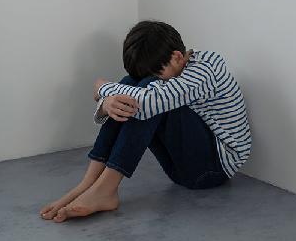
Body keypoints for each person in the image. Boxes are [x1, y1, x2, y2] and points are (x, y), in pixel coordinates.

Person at [39, 20, 252, 223]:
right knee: (132, 83)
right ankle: (89, 183)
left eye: (160, 74)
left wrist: (102, 88)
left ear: (177, 57)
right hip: (180, 168)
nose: (159, 79)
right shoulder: (178, 67)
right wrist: (107, 102)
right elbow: (137, 93)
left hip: (212, 170)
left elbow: (149, 101)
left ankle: (105, 190)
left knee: (148, 97)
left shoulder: (206, 69)